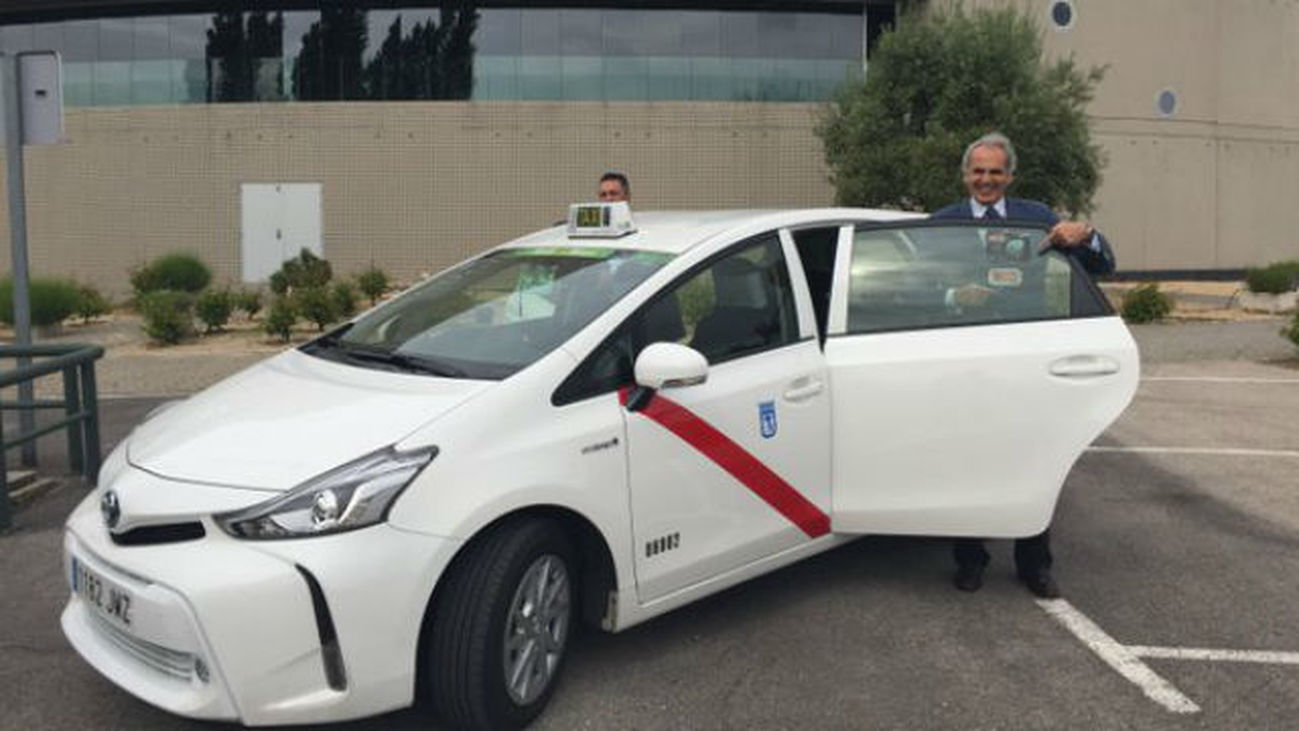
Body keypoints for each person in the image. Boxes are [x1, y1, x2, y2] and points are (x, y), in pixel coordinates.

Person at [930, 131, 1116, 599]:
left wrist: (1087, 235)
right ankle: (970, 559)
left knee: (1033, 460)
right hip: (965, 359)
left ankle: (1035, 564)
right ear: (965, 174)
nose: (986, 180)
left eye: (995, 172)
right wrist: (954, 295)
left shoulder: (1037, 219)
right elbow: (921, 285)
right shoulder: (942, 223)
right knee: (968, 461)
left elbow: (1103, 266)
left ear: (1009, 175)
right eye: (978, 171)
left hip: (1028, 357)